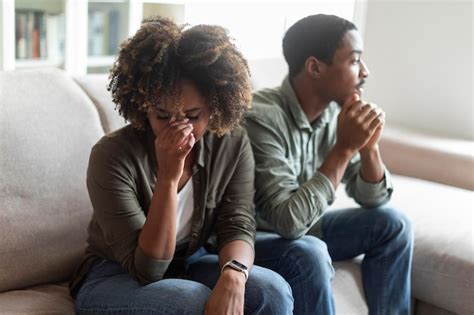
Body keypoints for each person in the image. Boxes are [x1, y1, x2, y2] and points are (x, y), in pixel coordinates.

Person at [69, 17, 293, 314]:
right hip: (113, 276)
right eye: (162, 115)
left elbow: (237, 221)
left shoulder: (230, 143)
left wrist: (235, 274)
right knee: (192, 299)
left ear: (214, 107)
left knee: (271, 291)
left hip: (189, 263)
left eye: (192, 115)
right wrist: (168, 177)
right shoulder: (111, 156)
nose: (179, 128)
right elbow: (148, 269)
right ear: (143, 106)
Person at [244, 14, 414, 315]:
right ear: (315, 68)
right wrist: (344, 147)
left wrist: (368, 147)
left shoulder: (331, 117)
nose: (365, 71)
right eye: (354, 60)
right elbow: (288, 223)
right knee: (309, 251)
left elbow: (374, 199)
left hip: (307, 227)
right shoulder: (261, 118)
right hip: (254, 237)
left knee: (394, 224)